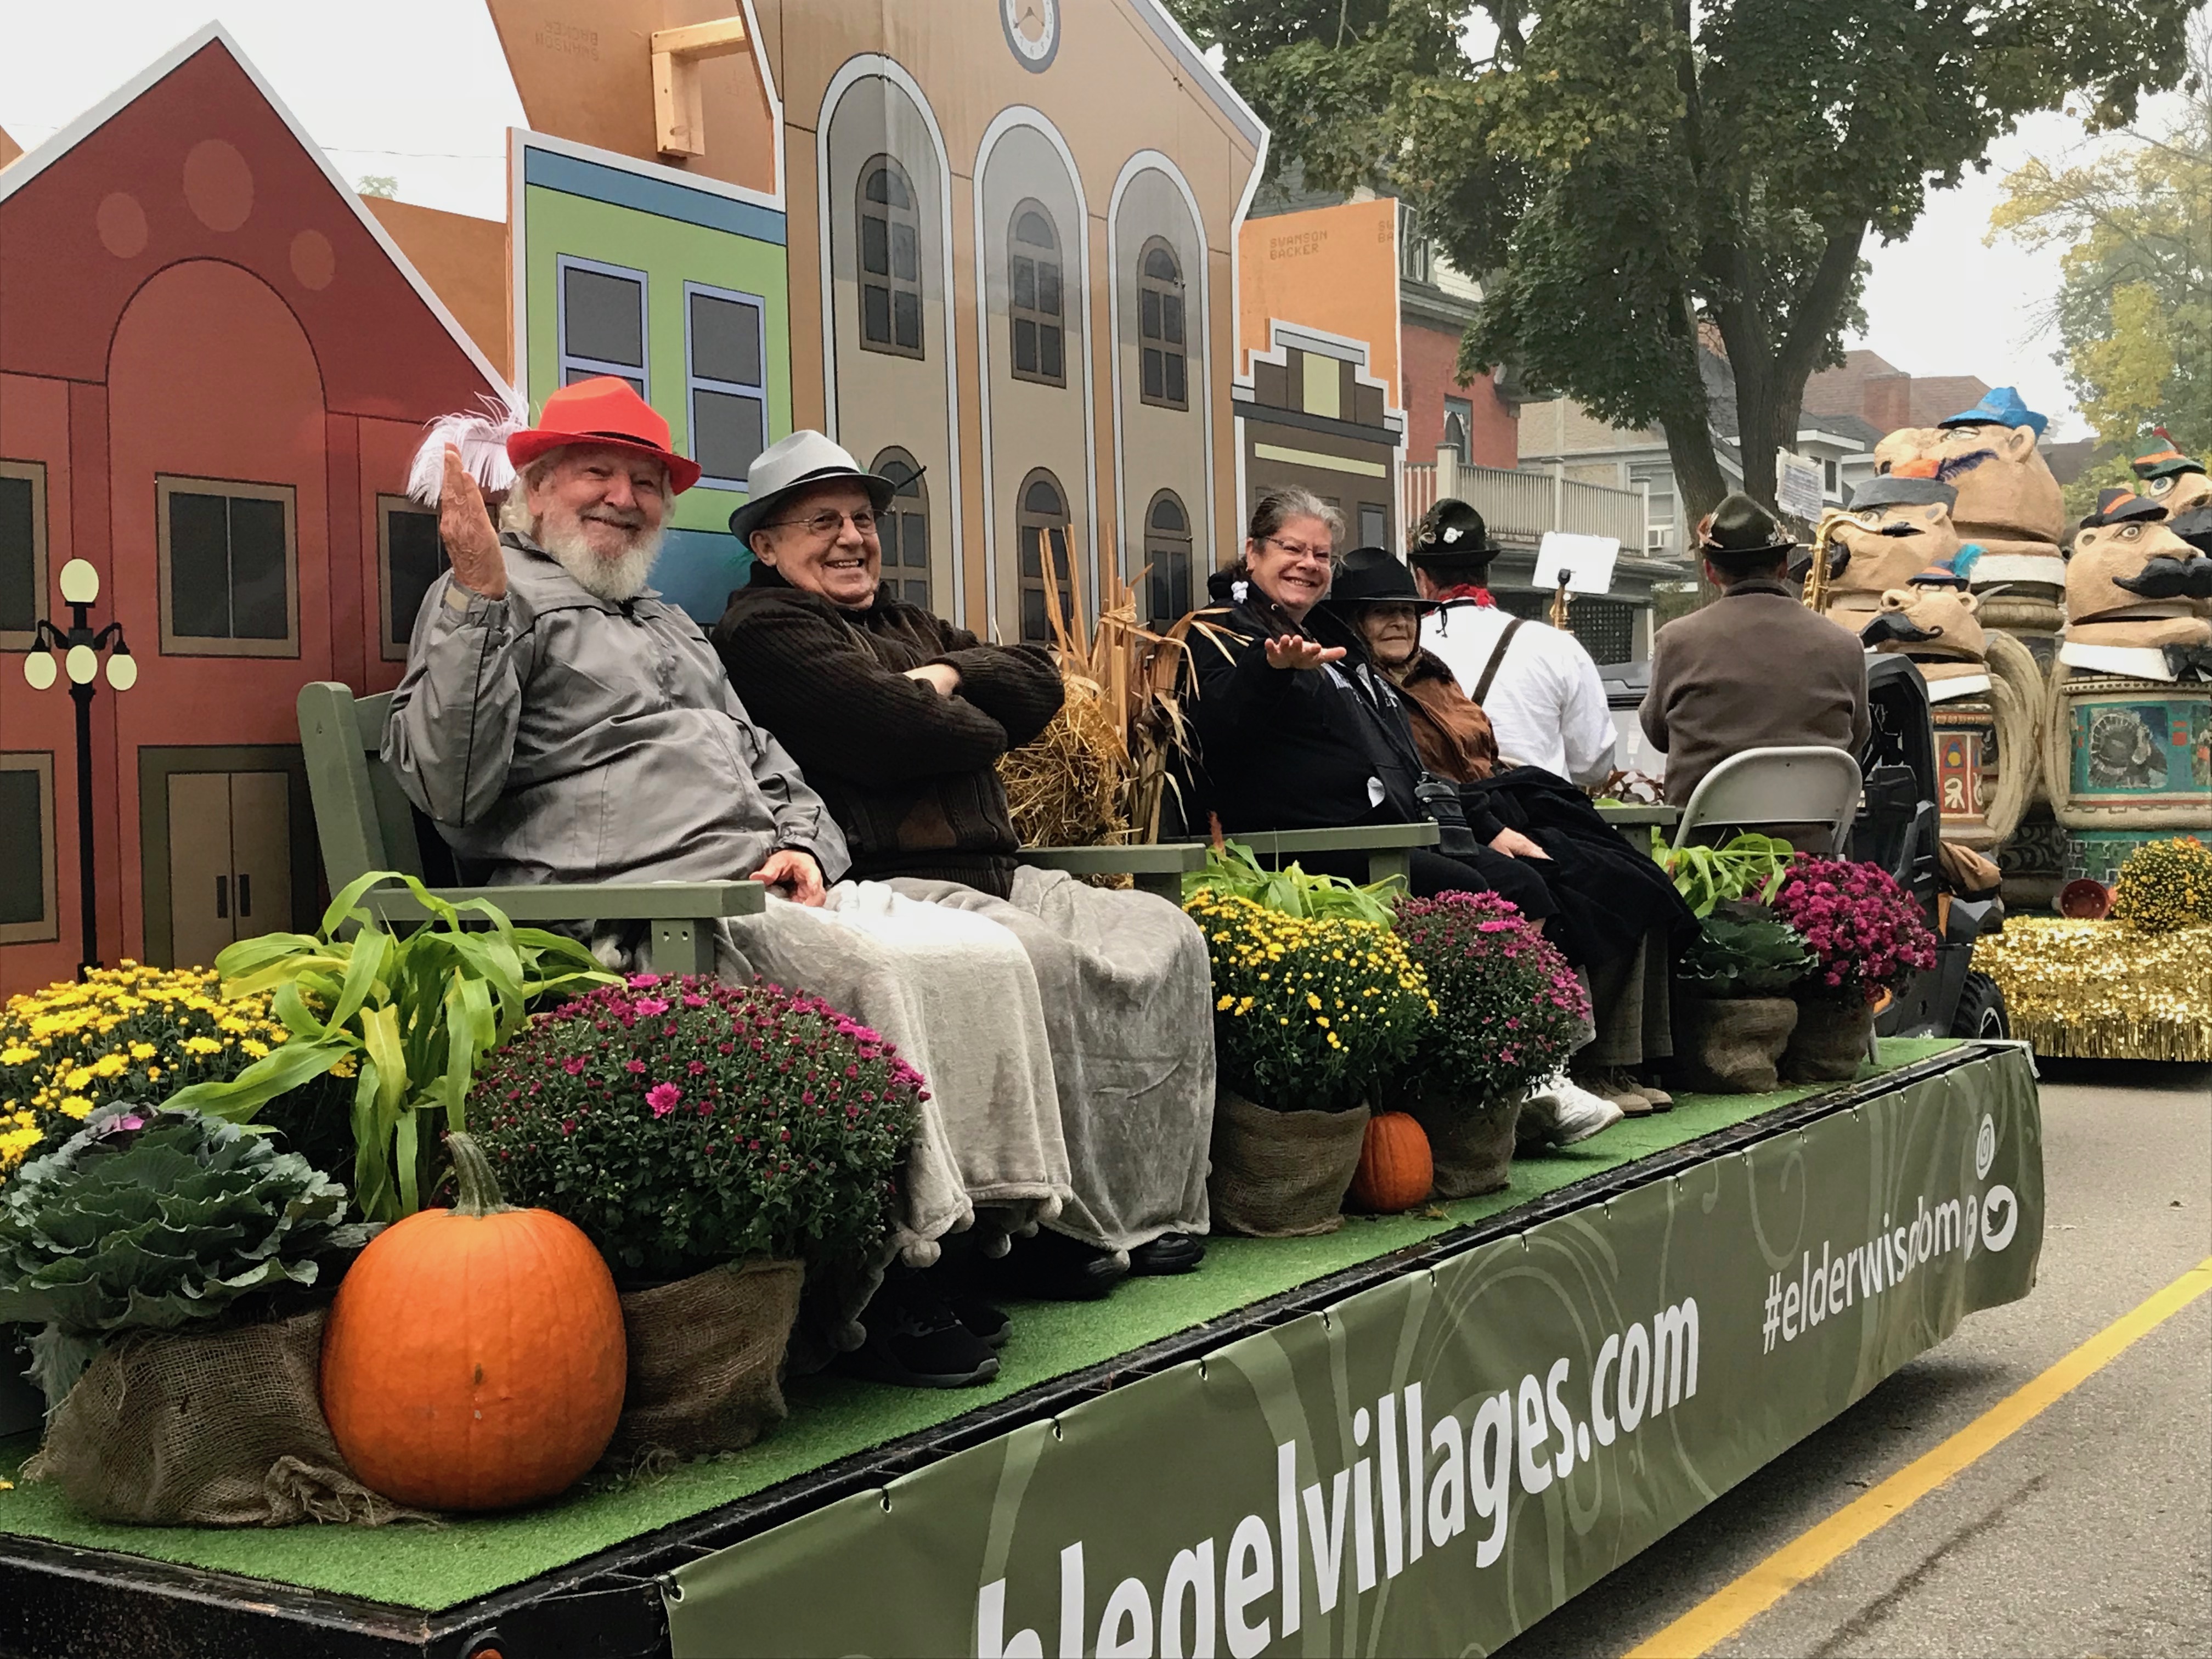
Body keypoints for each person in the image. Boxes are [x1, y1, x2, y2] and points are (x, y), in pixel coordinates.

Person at [385, 380, 1079, 1390]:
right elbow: (451, 786)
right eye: (597, 471)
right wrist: (478, 599)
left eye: (645, 481)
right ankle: (880, 1285)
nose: (623, 496)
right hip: (633, 909)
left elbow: (768, 762)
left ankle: (966, 1239)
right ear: (533, 488)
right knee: (868, 968)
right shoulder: (488, 601)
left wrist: (807, 848)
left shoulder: (667, 620)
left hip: (756, 885)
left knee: (982, 952)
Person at [713, 431, 1215, 1301]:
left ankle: (1150, 1204)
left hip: (1001, 872)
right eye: (822, 521)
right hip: (893, 883)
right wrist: (966, 715)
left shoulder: (909, 623)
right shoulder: (765, 629)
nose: (851, 538)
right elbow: (894, 732)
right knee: (1045, 962)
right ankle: (1053, 1225)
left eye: (863, 519)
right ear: (766, 545)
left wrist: (942, 674)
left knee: (1165, 932)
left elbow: (1041, 681)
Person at [1182, 493, 1614, 1147]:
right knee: (1488, 893)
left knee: (1530, 881)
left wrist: (1484, 818)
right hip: (1304, 848)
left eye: (1321, 554)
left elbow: (1394, 751)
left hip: (1389, 825)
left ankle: (1525, 1070)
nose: (1307, 564)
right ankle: (1518, 1078)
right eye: (1293, 550)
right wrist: (1270, 673)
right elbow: (1217, 728)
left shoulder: (1332, 636)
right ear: (1255, 552)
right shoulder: (1220, 629)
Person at [1324, 548, 1697, 1117]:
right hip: (1456, 817)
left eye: (1409, 610)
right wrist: (1490, 823)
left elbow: (1486, 749)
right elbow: (1420, 779)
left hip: (1499, 802)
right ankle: (1568, 1063)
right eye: (1381, 613)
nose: (1400, 622)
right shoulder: (1359, 687)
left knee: (1631, 874)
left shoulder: (1433, 673)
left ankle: (1627, 1058)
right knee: (1565, 883)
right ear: (1353, 622)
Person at [1642, 494, 1871, 812]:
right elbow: (1856, 738)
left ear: (1710, 571)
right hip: (1814, 850)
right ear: (1783, 567)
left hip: (1704, 850)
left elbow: (1657, 735)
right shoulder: (1846, 645)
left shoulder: (1676, 641)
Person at [1409, 500, 1618, 785]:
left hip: (1443, 821)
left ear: (1422, 579)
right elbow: (1593, 766)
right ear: (1486, 574)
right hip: (1538, 821)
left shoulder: (1403, 649)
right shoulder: (1555, 647)